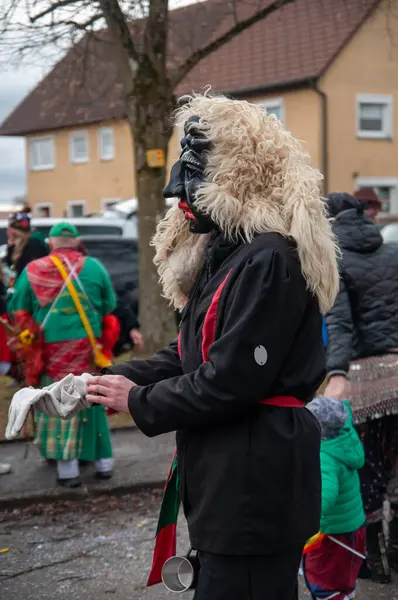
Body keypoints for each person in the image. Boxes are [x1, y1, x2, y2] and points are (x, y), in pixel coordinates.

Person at [86, 95, 339, 599]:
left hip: (254, 476)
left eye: (195, 169)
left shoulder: (269, 259)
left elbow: (231, 380)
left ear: (235, 176)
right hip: (231, 472)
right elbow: (190, 355)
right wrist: (105, 381)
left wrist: (135, 401)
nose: (178, 188)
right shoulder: (229, 255)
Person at [324, 192, 398, 583]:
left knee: (366, 467)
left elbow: (340, 327)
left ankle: (373, 560)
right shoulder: (393, 252)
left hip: (365, 379)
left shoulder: (336, 262)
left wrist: (336, 375)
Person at [8, 222, 117, 487]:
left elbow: (17, 308)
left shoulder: (33, 269)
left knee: (57, 400)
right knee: (91, 397)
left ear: (51, 243)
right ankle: (103, 464)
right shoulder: (94, 267)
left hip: (50, 349)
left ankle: (68, 471)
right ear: (77, 242)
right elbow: (110, 306)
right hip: (88, 347)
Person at [303, 396, 366, 600]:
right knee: (344, 579)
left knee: (324, 584)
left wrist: (301, 522)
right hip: (353, 528)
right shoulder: (346, 436)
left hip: (333, 536)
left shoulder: (325, 456)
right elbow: (345, 407)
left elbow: (325, 498)